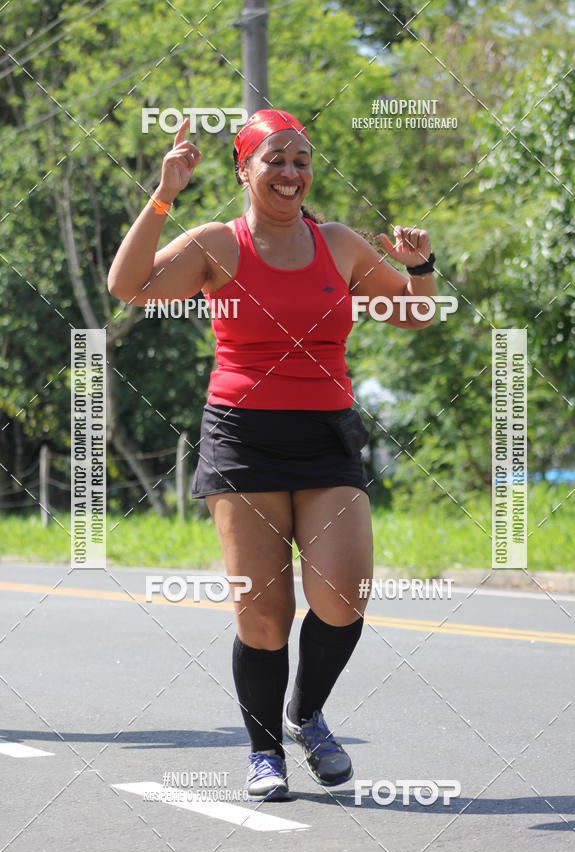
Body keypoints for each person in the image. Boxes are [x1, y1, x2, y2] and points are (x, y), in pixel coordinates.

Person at [107, 108, 437, 801]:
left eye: (301, 160)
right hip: (242, 438)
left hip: (325, 438)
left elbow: (413, 312)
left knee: (345, 595)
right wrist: (164, 194)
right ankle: (264, 753)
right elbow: (127, 286)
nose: (291, 172)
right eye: (275, 159)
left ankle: (306, 713)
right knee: (263, 614)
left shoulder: (340, 244)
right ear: (244, 168)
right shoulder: (215, 245)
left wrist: (421, 269)